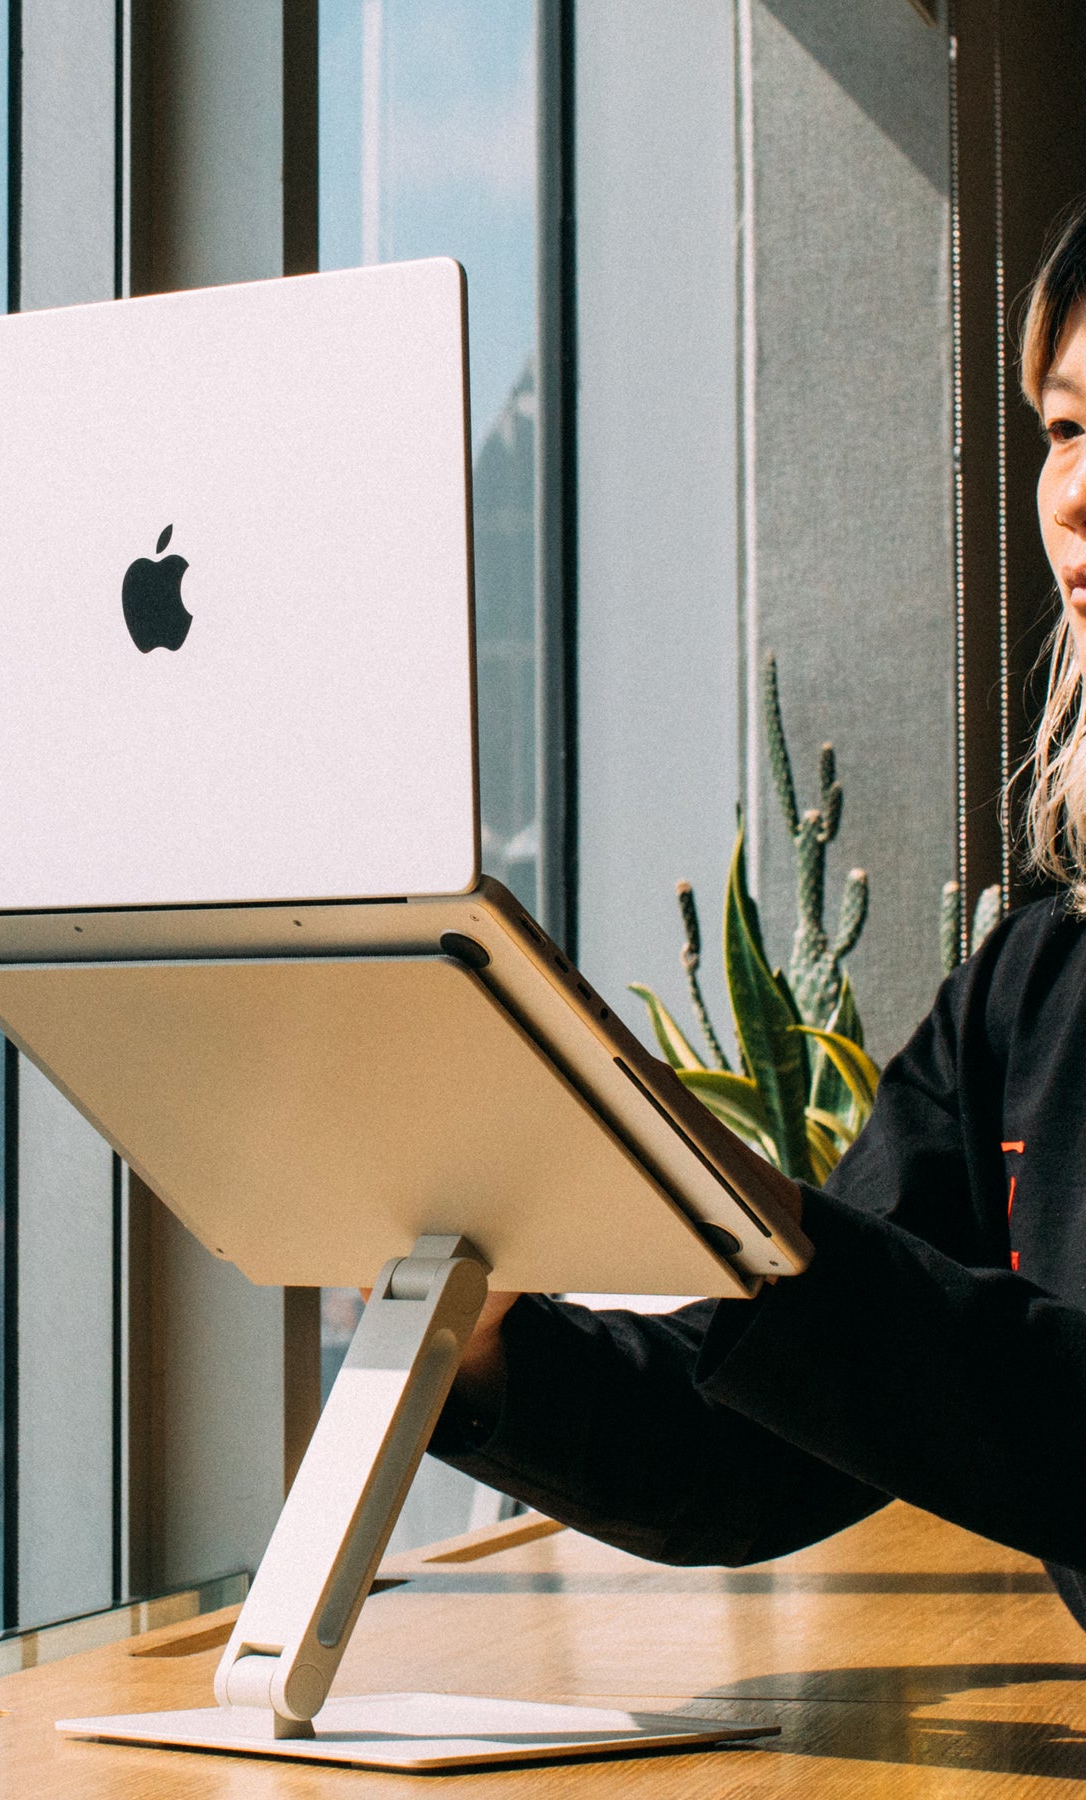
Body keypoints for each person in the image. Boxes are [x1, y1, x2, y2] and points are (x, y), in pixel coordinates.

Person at [430, 197, 1086, 1629]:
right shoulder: (1032, 986)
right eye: (1067, 430)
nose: (1075, 495)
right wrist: (480, 1344)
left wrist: (761, 1230)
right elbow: (758, 1445)